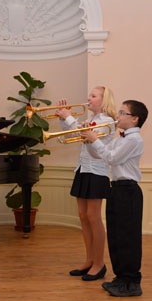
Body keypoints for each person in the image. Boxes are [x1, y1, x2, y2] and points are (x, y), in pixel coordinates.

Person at [80, 100, 148, 297]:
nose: (118, 116)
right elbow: (101, 155)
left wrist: (95, 139)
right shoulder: (121, 138)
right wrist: (88, 138)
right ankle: (120, 278)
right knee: (116, 237)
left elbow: (112, 158)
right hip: (117, 189)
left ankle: (131, 281)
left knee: (128, 238)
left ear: (134, 119)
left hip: (128, 191)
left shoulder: (135, 140)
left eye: (122, 113)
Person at [55, 86, 117, 281]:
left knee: (93, 217)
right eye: (89, 95)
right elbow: (70, 136)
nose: (88, 98)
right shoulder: (90, 120)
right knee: (83, 216)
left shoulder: (107, 121)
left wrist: (70, 118)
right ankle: (89, 260)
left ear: (103, 100)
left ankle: (99, 264)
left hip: (97, 172)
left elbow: (88, 136)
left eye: (93, 96)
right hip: (83, 169)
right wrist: (64, 119)